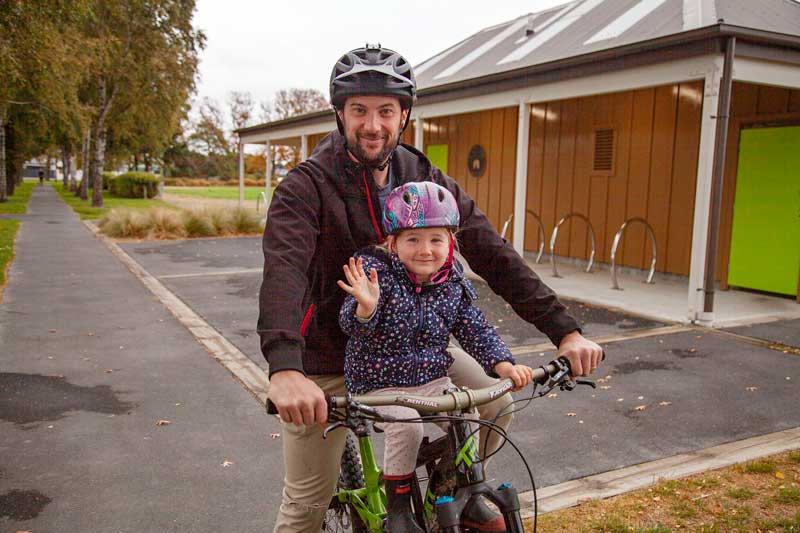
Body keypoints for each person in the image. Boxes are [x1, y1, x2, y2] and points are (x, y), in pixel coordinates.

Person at [259, 44, 603, 532]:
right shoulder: (306, 186)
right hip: (324, 362)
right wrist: (285, 368)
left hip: (412, 351)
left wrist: (565, 331)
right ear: (340, 114)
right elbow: (284, 272)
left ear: (404, 116)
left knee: (495, 402)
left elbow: (492, 253)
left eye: (386, 111)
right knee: (307, 504)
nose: (372, 125)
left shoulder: (422, 177)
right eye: (359, 110)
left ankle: (442, 493)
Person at [338, 181, 536, 531]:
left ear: (450, 244)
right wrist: (366, 309)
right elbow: (350, 323)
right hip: (379, 386)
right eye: (413, 239)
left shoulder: (452, 283)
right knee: (407, 428)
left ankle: (462, 495)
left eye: (436, 240)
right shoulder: (376, 274)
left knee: (470, 415)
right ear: (393, 244)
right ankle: (399, 512)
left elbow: (474, 327)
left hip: (431, 381)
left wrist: (503, 364)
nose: (425, 250)